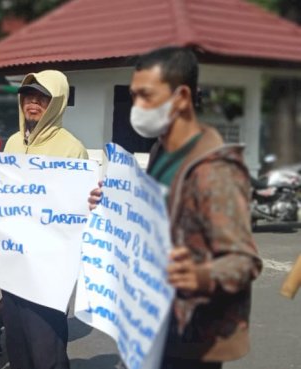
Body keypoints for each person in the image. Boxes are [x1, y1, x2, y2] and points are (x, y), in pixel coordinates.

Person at [89, 47, 261, 369]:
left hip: (191, 340)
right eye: (133, 96)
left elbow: (243, 262)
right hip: (153, 324)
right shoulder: (161, 150)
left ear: (181, 97)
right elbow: (152, 214)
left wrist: (200, 274)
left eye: (146, 96)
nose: (136, 108)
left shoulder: (217, 170)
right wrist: (110, 203)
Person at [4, 71, 88, 369]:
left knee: (46, 349)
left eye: (42, 97)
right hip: (13, 266)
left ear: (57, 103)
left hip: (47, 270)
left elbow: (76, 208)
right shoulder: (13, 142)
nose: (33, 102)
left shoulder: (71, 148)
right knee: (16, 343)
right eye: (28, 96)